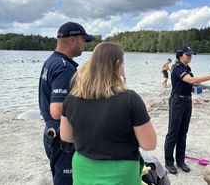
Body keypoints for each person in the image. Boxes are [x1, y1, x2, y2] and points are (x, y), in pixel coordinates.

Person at [60, 42, 157, 185]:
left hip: (83, 168)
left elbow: (66, 137)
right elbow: (149, 144)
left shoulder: (71, 98)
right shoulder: (130, 99)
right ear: (118, 64)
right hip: (120, 173)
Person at [38, 21, 94, 185]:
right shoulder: (64, 68)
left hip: (51, 132)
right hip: (62, 137)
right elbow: (57, 110)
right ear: (72, 40)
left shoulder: (51, 61)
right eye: (84, 40)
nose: (85, 44)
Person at [164, 45, 210, 174]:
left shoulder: (187, 68)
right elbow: (190, 80)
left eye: (190, 54)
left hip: (187, 101)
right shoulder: (177, 67)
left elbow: (192, 84)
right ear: (179, 55)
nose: (189, 56)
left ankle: (180, 161)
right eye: (187, 54)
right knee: (173, 133)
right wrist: (209, 77)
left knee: (183, 132)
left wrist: (205, 88)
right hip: (177, 101)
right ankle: (169, 162)